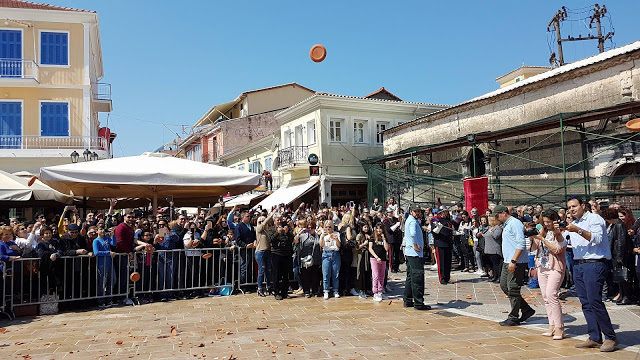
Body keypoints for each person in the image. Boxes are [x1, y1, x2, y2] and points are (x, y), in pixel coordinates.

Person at [566, 197, 618, 352]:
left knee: (595, 301)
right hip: (579, 264)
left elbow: (596, 239)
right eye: (569, 207)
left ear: (583, 206)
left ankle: (610, 337)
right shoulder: (574, 224)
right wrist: (557, 232)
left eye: (574, 206)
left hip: (594, 264)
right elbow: (565, 244)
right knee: (585, 302)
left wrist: (578, 230)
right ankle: (594, 337)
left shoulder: (595, 219)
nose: (571, 209)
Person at [494, 205, 534, 326]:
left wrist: (514, 260)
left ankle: (514, 317)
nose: (495, 218)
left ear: (503, 213)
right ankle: (526, 309)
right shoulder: (506, 225)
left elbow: (521, 243)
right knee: (504, 286)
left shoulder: (515, 223)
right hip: (508, 261)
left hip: (515, 261)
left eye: (496, 215)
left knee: (513, 288)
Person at [531, 210, 567, 340]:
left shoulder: (560, 232)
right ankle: (551, 325)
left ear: (554, 220)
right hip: (542, 266)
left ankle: (560, 327)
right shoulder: (543, 231)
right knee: (546, 297)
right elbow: (535, 248)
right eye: (544, 222)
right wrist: (533, 237)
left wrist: (543, 240)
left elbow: (557, 249)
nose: (546, 224)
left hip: (555, 267)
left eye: (548, 222)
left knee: (552, 295)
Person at [601, 207, 634, 305]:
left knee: (623, 277)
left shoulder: (619, 225)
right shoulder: (615, 225)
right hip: (616, 254)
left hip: (619, 255)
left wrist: (619, 256)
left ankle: (626, 296)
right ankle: (623, 295)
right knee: (620, 277)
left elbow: (621, 242)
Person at [403, 206, 430, 310]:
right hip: (415, 253)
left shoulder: (410, 220)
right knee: (417, 277)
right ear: (411, 212)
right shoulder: (413, 222)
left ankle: (407, 299)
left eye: (418, 211)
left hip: (410, 253)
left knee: (410, 277)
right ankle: (418, 303)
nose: (417, 213)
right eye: (415, 211)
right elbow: (413, 233)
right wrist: (415, 244)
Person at [269, 214, 294, 300]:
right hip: (276, 253)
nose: (279, 222)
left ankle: (285, 292)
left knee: (285, 275)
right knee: (276, 274)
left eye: (280, 220)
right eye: (277, 220)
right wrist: (277, 233)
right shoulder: (271, 229)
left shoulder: (286, 228)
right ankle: (276, 292)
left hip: (286, 254)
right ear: (274, 221)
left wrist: (287, 232)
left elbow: (292, 239)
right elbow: (270, 240)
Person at [296, 219, 321, 298]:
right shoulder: (303, 236)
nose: (310, 229)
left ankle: (315, 291)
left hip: (315, 258)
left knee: (315, 276)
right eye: (308, 227)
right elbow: (296, 241)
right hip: (305, 259)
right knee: (305, 275)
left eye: (311, 227)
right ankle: (306, 291)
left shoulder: (318, 236)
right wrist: (299, 233)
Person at [93, 225, 116, 308]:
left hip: (110, 263)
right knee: (102, 283)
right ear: (97, 231)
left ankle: (109, 299)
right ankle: (101, 301)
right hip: (102, 264)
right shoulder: (96, 241)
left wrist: (113, 235)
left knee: (112, 281)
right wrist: (108, 253)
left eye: (103, 229)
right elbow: (96, 252)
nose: (102, 231)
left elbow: (114, 243)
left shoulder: (107, 238)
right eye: (100, 229)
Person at [320, 219, 341, 299]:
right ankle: (326, 291)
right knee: (326, 274)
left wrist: (336, 239)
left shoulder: (336, 234)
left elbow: (339, 245)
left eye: (329, 227)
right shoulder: (323, 234)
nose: (328, 229)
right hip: (326, 253)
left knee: (336, 274)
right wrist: (322, 237)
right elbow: (322, 245)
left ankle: (335, 290)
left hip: (335, 253)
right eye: (326, 227)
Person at [254, 212, 274, 297]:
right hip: (260, 251)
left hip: (268, 251)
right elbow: (264, 223)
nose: (262, 222)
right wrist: (271, 214)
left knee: (268, 270)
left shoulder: (267, 231)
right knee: (261, 270)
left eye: (263, 220)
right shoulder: (258, 229)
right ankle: (259, 288)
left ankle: (268, 287)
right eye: (260, 221)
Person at [369, 223, 389, 302]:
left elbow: (386, 249)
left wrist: (384, 239)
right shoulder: (372, 237)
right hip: (374, 258)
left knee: (382, 276)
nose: (379, 230)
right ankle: (375, 292)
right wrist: (376, 257)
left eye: (380, 228)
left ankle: (380, 291)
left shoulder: (384, 238)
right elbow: (370, 248)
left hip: (383, 258)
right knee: (376, 276)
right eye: (377, 228)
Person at [482, 216, 503, 283]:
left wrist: (491, 232)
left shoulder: (498, 228)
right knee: (493, 265)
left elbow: (496, 236)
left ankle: (498, 277)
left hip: (495, 250)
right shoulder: (491, 228)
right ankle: (494, 276)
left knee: (497, 265)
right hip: (489, 250)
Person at [355, 223, 372, 299]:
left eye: (367, 227)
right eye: (365, 227)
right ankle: (361, 290)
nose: (366, 229)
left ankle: (367, 289)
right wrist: (364, 244)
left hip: (367, 254)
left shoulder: (369, 235)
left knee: (367, 272)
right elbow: (356, 247)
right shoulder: (359, 236)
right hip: (361, 255)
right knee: (361, 272)